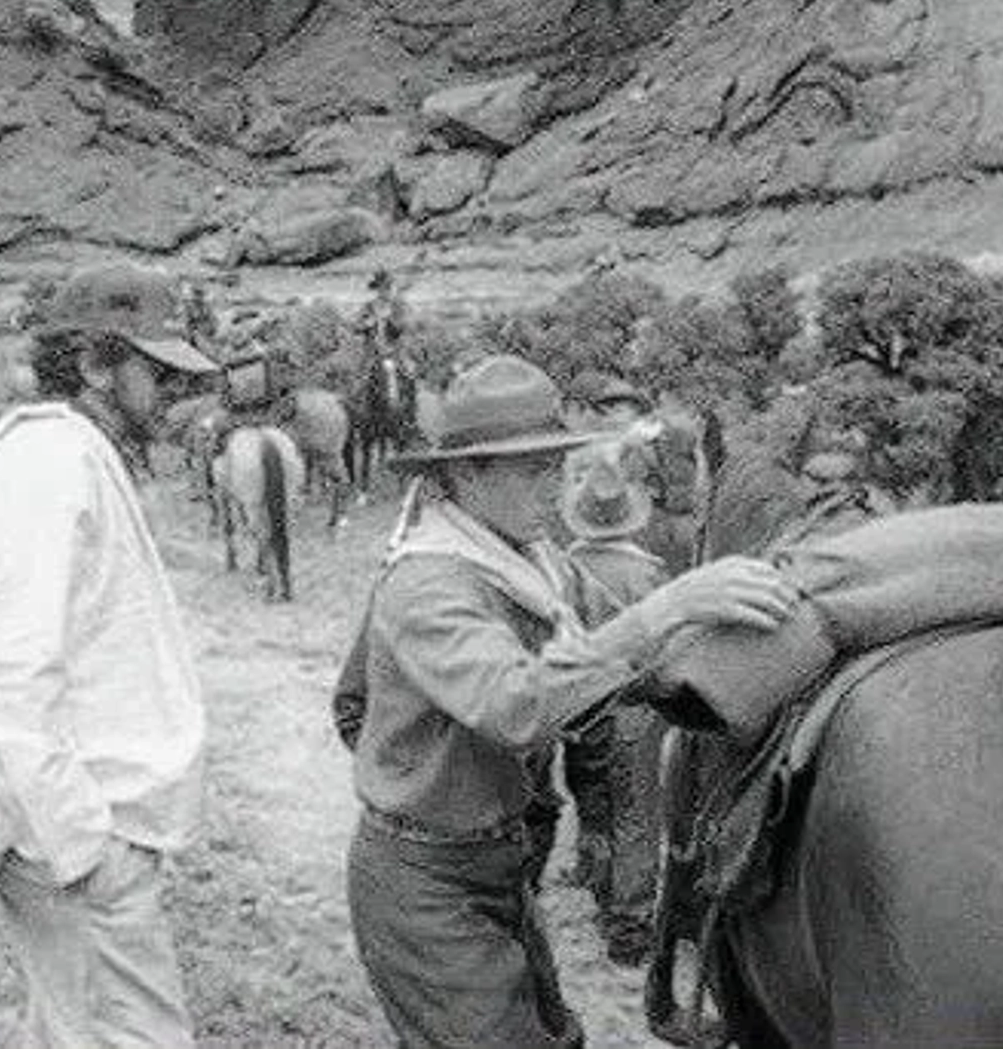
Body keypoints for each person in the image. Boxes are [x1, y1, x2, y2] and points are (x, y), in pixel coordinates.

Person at [332, 354, 794, 1048]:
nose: (555, 485)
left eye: (556, 463)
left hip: (495, 860)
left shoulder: (534, 562)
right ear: (464, 475)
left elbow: (615, 651)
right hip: (426, 878)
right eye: (532, 469)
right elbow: (515, 705)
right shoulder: (429, 584)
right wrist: (666, 605)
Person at [0, 263, 222, 1049]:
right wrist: (81, 843)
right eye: (154, 370)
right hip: (74, 846)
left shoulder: (65, 458)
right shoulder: (47, 467)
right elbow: (1, 673)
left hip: (68, 837)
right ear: (93, 366)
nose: (172, 392)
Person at [556, 439, 672, 966]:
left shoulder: (564, 568)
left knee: (594, 804)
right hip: (632, 709)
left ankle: (596, 881)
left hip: (582, 703)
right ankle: (628, 926)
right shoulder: (649, 572)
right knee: (636, 817)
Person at [355, 268, 408, 354]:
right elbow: (360, 325)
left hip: (394, 348)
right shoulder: (369, 306)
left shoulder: (397, 306)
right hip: (374, 349)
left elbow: (403, 328)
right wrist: (367, 325)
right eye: (382, 288)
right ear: (377, 289)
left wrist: (392, 324)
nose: (385, 291)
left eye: (388, 287)